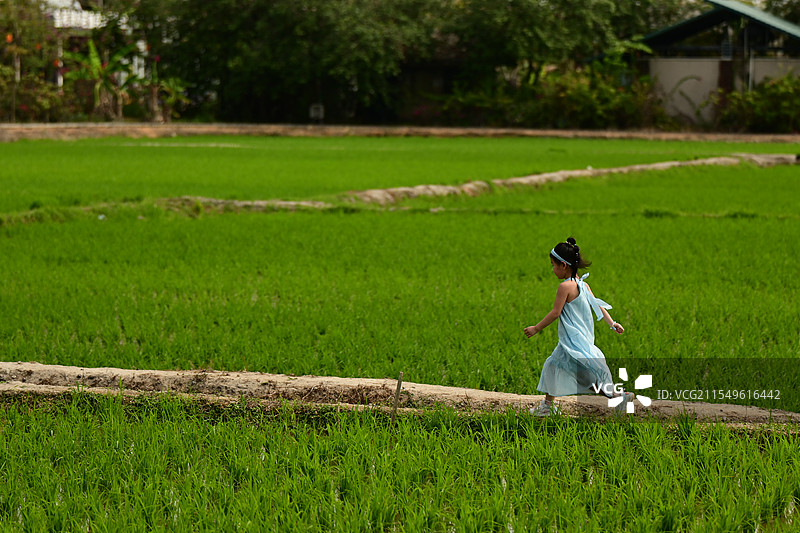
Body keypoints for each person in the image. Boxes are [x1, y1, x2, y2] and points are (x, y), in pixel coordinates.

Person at [523, 237, 633, 416]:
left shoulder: (564, 287)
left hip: (573, 340)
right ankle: (549, 405)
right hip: (579, 338)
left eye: (553, 265)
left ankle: (617, 396)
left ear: (563, 266)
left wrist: (536, 328)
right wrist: (612, 323)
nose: (552, 269)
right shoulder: (583, 284)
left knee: (582, 374)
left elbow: (555, 313)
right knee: (555, 366)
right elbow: (598, 305)